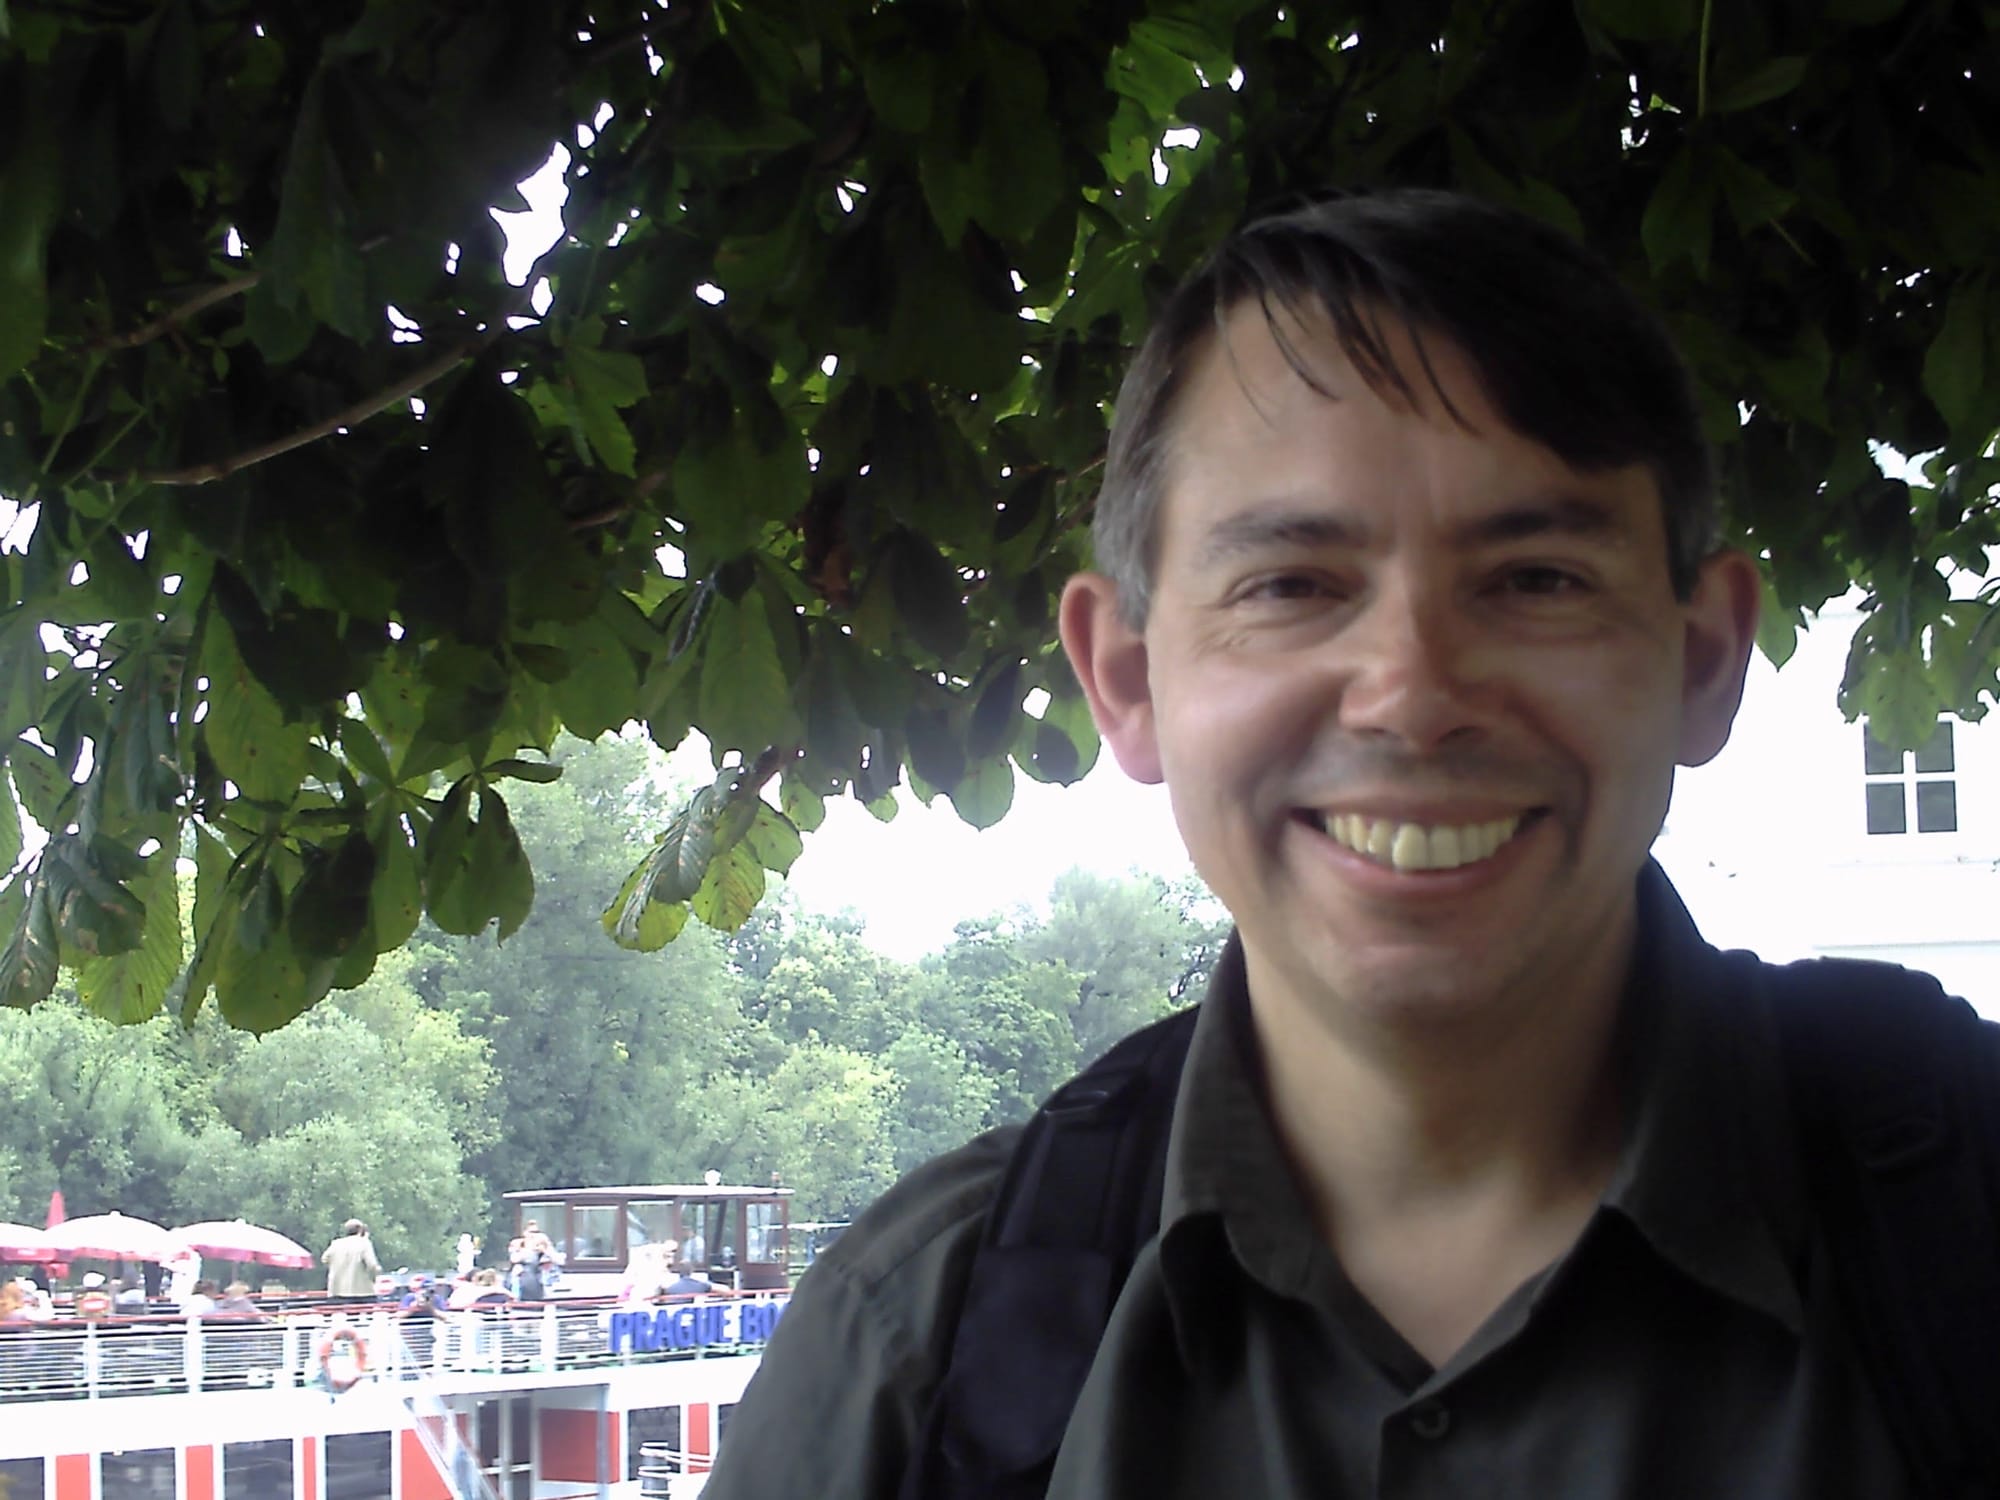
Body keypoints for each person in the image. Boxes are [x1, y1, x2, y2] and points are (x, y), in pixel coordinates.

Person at [703, 189, 2000, 1500]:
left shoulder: (1967, 1221)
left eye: (1536, 579)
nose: (1413, 694)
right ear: (1128, 683)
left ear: (1703, 661)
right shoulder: (910, 1352)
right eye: (1290, 586)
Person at [321, 1219, 381, 1305]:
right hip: (362, 1292)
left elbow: (324, 1259)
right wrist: (374, 1276)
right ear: (360, 1230)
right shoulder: (364, 1243)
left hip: (337, 1290)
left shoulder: (336, 1243)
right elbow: (372, 1265)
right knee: (366, 1312)